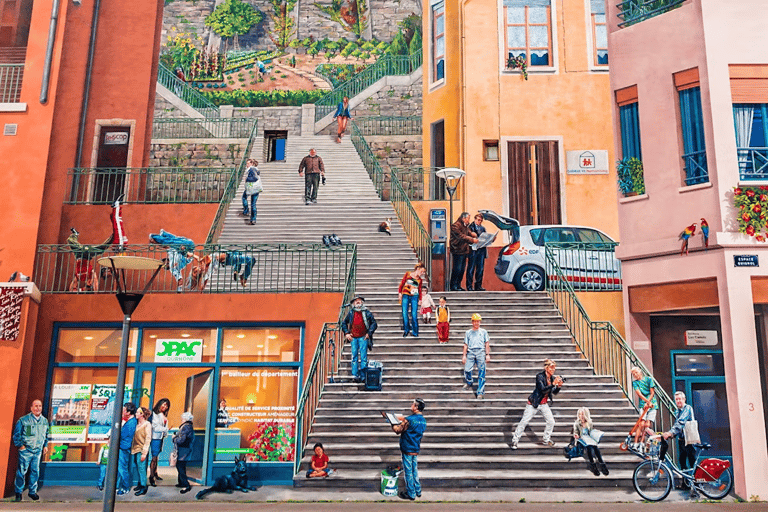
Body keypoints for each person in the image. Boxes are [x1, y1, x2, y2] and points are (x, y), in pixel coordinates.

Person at [510, 359, 564, 449]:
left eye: (554, 368)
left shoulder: (551, 378)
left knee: (551, 421)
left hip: (544, 403)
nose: (553, 370)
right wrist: (553, 384)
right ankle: (514, 441)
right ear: (546, 368)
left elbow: (553, 392)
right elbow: (542, 389)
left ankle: (546, 439)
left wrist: (558, 386)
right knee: (524, 422)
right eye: (551, 367)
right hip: (533, 403)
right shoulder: (539, 376)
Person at [12, 399, 49, 501]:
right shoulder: (23, 420)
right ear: (31, 408)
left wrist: (45, 445)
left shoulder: (45, 421)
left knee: (35, 472)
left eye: (40, 406)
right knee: (21, 472)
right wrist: (21, 447)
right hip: (26, 451)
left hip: (37, 451)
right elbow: (16, 435)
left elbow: (46, 435)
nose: (38, 408)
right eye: (36, 406)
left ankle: (32, 492)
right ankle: (18, 492)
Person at [392, 398, 427, 501]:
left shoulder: (409, 419)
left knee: (408, 471)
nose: (411, 406)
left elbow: (398, 430)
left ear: (416, 407)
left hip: (407, 448)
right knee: (414, 470)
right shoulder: (423, 420)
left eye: (412, 404)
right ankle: (418, 490)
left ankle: (411, 494)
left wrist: (392, 423)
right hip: (415, 448)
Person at [659, 391, 697, 477]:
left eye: (680, 399)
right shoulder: (678, 411)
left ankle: (698, 485)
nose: (678, 401)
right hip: (682, 440)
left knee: (692, 462)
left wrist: (670, 433)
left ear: (684, 399)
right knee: (682, 462)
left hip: (690, 440)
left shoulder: (687, 408)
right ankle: (686, 484)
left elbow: (680, 422)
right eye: (676, 399)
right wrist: (670, 435)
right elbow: (678, 427)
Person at [341, 295, 378, 382]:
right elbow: (344, 323)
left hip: (363, 337)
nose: (358, 302)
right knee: (354, 357)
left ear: (362, 302)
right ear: (353, 303)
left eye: (359, 301)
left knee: (363, 357)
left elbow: (374, 323)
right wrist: (347, 333)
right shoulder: (351, 313)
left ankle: (363, 375)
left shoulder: (366, 312)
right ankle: (355, 375)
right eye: (356, 301)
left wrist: (369, 333)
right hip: (353, 338)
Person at [572, 407, 608, 476]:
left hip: (588, 438)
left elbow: (590, 432)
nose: (581, 416)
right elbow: (575, 432)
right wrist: (576, 435)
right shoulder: (577, 423)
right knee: (589, 447)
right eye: (580, 414)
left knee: (595, 447)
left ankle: (602, 463)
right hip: (581, 439)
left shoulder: (589, 422)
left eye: (582, 415)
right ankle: (593, 465)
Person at [462, 313, 490, 399]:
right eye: (475, 321)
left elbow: (487, 343)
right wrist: (464, 355)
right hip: (471, 352)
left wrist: (487, 354)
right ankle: (469, 382)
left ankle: (480, 392)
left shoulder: (484, 332)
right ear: (472, 322)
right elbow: (465, 345)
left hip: (480, 352)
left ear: (480, 322)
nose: (476, 323)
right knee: (467, 369)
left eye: (478, 321)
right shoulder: (468, 333)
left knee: (482, 372)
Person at [449, 212, 478, 291]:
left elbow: (467, 232)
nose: (468, 220)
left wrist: (472, 234)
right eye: (468, 218)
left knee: (462, 269)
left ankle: (458, 285)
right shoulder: (455, 226)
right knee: (457, 269)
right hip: (457, 250)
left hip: (464, 251)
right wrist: (472, 239)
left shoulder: (465, 226)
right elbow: (461, 236)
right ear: (463, 218)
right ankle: (453, 286)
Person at [631, 366, 657, 449]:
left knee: (647, 425)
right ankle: (635, 443)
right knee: (641, 424)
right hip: (643, 404)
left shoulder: (649, 379)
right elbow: (639, 394)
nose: (635, 375)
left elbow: (652, 393)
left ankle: (642, 442)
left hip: (652, 404)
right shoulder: (635, 383)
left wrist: (649, 402)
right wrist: (646, 402)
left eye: (636, 372)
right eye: (633, 374)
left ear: (640, 372)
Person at [398, 263, 426, 338]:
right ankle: (406, 330)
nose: (422, 273)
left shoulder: (420, 280)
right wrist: (400, 293)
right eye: (422, 271)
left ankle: (415, 331)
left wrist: (420, 299)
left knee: (414, 314)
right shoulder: (408, 274)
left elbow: (419, 289)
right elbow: (402, 283)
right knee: (404, 313)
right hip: (406, 295)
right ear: (418, 269)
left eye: (423, 272)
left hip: (414, 296)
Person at [117, 401, 138, 495]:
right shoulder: (131, 422)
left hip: (124, 447)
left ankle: (125, 487)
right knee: (122, 467)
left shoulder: (131, 423)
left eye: (124, 410)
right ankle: (121, 486)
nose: (122, 411)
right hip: (125, 447)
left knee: (122, 468)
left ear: (129, 412)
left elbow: (123, 435)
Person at [149, 398, 170, 486]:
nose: (165, 407)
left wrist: (165, 431)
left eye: (167, 406)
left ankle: (155, 473)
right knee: (154, 458)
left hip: (160, 438)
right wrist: (165, 429)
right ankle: (151, 476)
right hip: (154, 438)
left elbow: (164, 428)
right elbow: (155, 427)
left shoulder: (163, 415)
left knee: (156, 457)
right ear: (159, 404)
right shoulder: (154, 414)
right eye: (164, 404)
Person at [132, 406, 152, 496]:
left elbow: (148, 438)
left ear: (142, 414)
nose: (136, 414)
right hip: (135, 449)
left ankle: (143, 486)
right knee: (138, 467)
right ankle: (140, 484)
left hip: (141, 449)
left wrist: (145, 452)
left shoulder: (147, 424)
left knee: (142, 468)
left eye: (137, 412)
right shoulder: (137, 425)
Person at [174, 411, 195, 494]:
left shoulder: (186, 427)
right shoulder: (189, 426)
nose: (181, 420)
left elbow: (181, 440)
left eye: (182, 419)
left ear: (185, 419)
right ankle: (181, 482)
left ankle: (186, 484)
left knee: (180, 466)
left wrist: (174, 438)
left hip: (183, 449)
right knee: (181, 466)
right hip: (186, 449)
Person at [466, 213, 487, 291]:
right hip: (473, 251)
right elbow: (467, 238)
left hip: (481, 250)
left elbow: (485, 238)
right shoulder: (470, 227)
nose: (479, 222)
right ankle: (469, 286)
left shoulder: (483, 228)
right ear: (475, 219)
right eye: (478, 220)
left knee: (480, 269)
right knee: (471, 269)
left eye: (481, 220)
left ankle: (478, 286)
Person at [241, 159, 261, 225]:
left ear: (252, 164)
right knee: (253, 204)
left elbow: (255, 178)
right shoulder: (255, 169)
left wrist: (247, 179)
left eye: (248, 164)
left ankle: (246, 211)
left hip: (251, 188)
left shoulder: (252, 169)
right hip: (255, 189)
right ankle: (253, 219)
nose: (247, 165)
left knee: (244, 197)